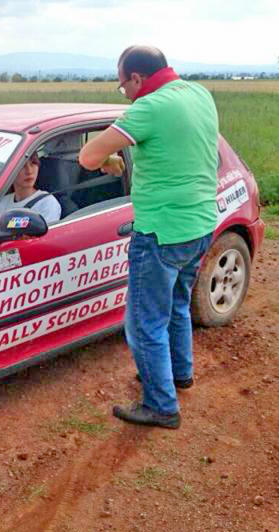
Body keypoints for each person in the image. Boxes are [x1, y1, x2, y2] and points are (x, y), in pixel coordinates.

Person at [77, 45, 219, 429]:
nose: (125, 92)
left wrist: (110, 161)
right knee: (176, 304)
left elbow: (88, 157)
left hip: (160, 231)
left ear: (137, 78)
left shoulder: (148, 108)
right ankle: (178, 374)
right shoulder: (199, 93)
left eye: (123, 86)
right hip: (201, 224)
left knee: (144, 323)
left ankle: (160, 405)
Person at [0, 152, 61, 224]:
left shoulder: (47, 203)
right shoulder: (2, 203)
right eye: (22, 166)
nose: (29, 171)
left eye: (33, 163)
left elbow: (48, 234)